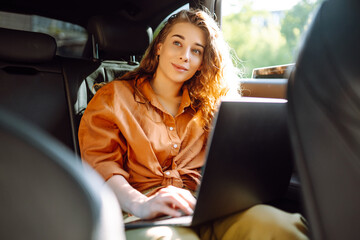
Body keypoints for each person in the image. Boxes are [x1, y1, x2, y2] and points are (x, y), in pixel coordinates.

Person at [78, 8, 309, 240]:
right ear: (159, 47)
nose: (185, 56)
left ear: (201, 63)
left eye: (196, 51)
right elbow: (102, 168)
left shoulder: (210, 106)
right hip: (141, 210)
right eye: (177, 43)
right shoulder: (113, 96)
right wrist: (142, 204)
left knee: (279, 226)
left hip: (206, 207)